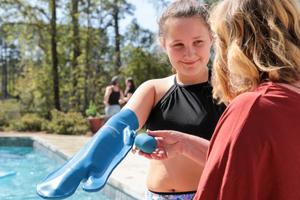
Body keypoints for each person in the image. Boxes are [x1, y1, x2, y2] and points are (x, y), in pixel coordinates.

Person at [36, 0, 224, 199]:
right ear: (163, 44)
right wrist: (81, 162)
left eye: (198, 42)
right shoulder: (153, 89)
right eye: (178, 44)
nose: (189, 53)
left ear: (211, 38)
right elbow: (119, 126)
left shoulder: (230, 91)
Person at [144, 0, 300, 199]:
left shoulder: (253, 108)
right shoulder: (289, 100)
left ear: (238, 44)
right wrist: (185, 144)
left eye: (220, 40)